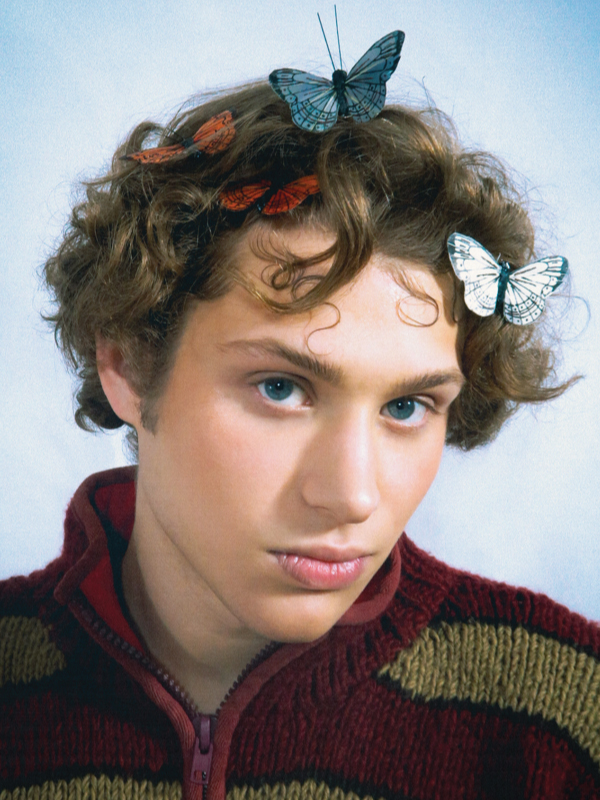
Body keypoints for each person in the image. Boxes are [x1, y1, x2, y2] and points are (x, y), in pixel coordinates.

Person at [1, 70, 599, 800]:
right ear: (126, 360)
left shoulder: (569, 721)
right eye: (281, 388)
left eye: (408, 406)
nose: (351, 495)